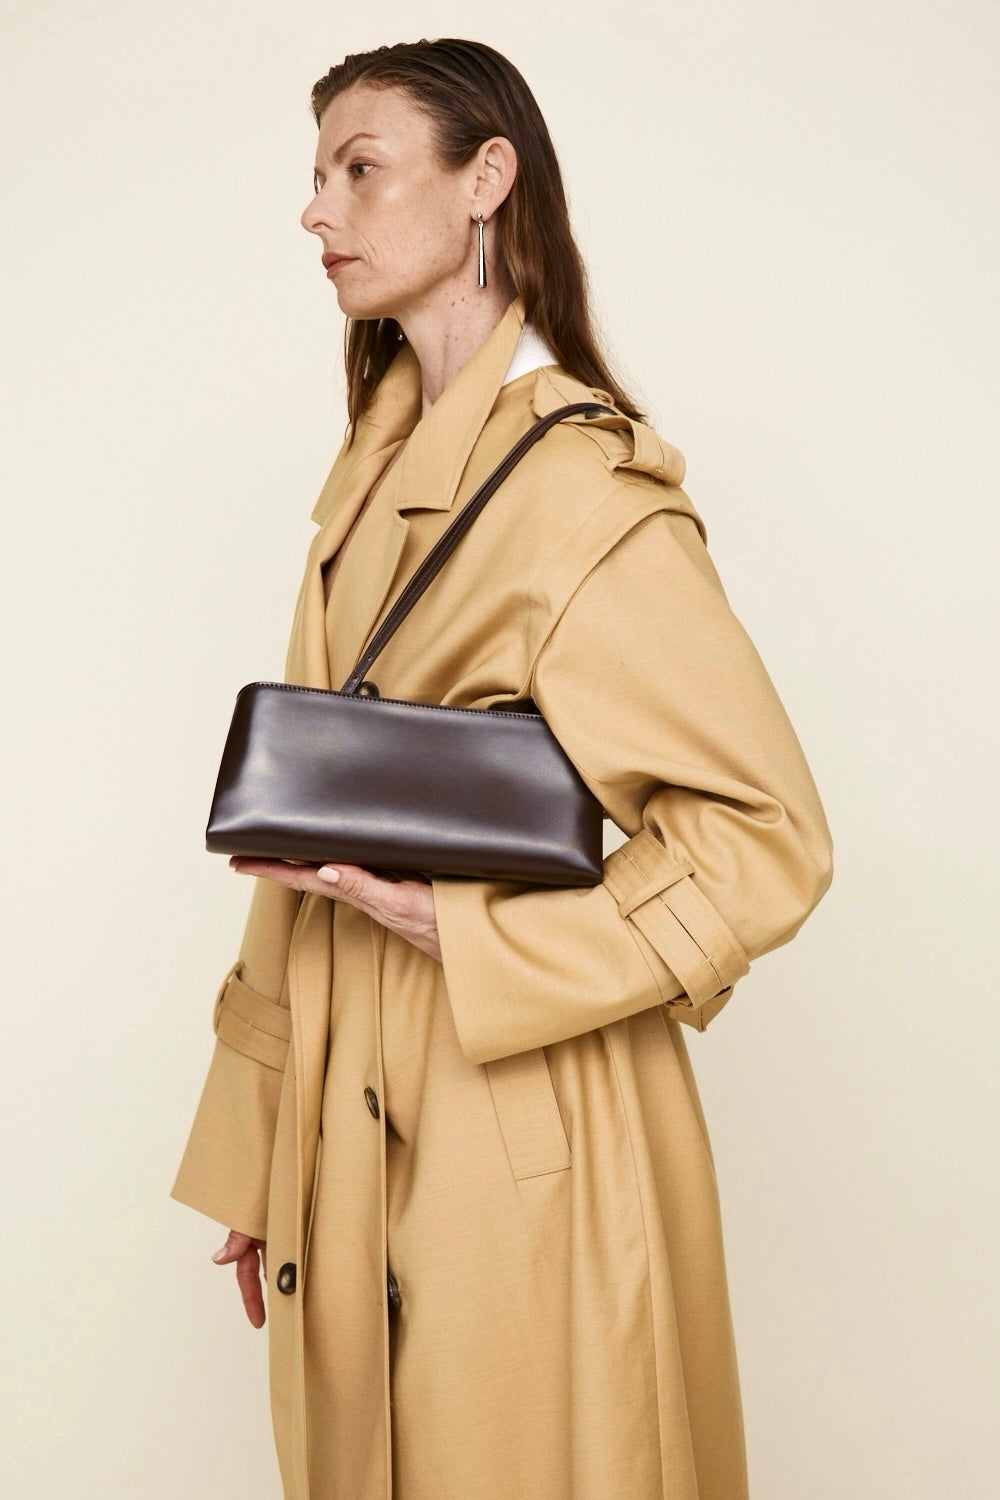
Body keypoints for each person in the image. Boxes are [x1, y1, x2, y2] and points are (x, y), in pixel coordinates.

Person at [172, 37, 833, 1500]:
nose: (316, 213)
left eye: (359, 168)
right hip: (350, 1104)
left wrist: (460, 928)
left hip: (524, 1123)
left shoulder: (583, 498)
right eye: (316, 175)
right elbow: (302, 839)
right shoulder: (369, 480)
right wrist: (253, 1148)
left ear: (487, 180)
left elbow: (767, 837)